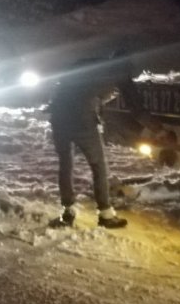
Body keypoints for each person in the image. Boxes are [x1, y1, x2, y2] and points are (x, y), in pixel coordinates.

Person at [48, 51, 162, 229]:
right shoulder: (121, 73)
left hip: (58, 116)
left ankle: (67, 213)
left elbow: (62, 80)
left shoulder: (89, 60)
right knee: (99, 166)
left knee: (65, 165)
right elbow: (137, 109)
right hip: (83, 120)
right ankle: (105, 214)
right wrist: (159, 129)